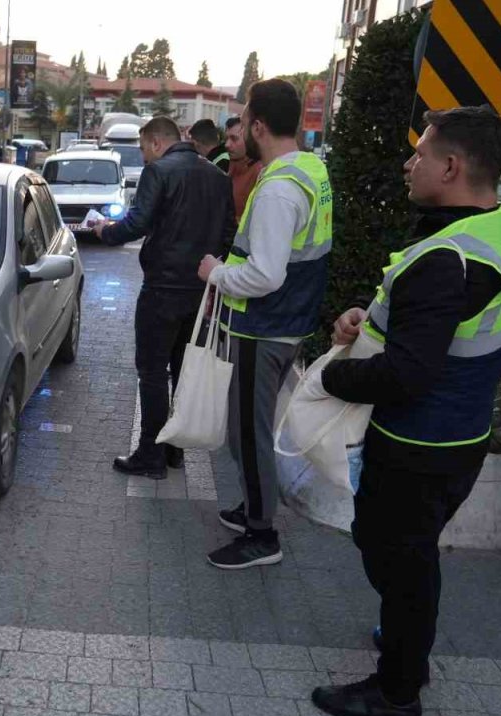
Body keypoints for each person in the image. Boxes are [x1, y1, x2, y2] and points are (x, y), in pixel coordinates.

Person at [309, 106, 501, 716]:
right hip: (457, 436)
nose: (410, 164)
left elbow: (408, 372)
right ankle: (407, 639)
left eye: (421, 154)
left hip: (418, 443)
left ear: (452, 166)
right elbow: (438, 326)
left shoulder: (448, 258)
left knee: (396, 556)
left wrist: (334, 372)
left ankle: (397, 690)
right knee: (409, 554)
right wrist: (371, 318)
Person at [196, 79, 332, 570]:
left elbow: (265, 273)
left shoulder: (277, 189)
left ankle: (262, 535)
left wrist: (217, 275)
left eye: (245, 119)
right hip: (282, 324)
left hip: (264, 327)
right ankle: (253, 509)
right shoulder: (308, 169)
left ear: (257, 125)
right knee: (245, 429)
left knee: (248, 434)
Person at [91, 117, 236, 477]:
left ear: (157, 142)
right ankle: (173, 450)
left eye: (142, 149)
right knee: (182, 373)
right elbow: (230, 233)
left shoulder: (159, 172)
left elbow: (136, 224)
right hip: (199, 291)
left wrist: (104, 231)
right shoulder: (218, 177)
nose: (142, 157)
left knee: (152, 373)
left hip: (162, 290)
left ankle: (150, 456)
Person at [224, 116, 264, 222]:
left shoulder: (259, 173)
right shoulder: (232, 167)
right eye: (226, 139)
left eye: (234, 138)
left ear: (248, 137)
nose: (227, 144)